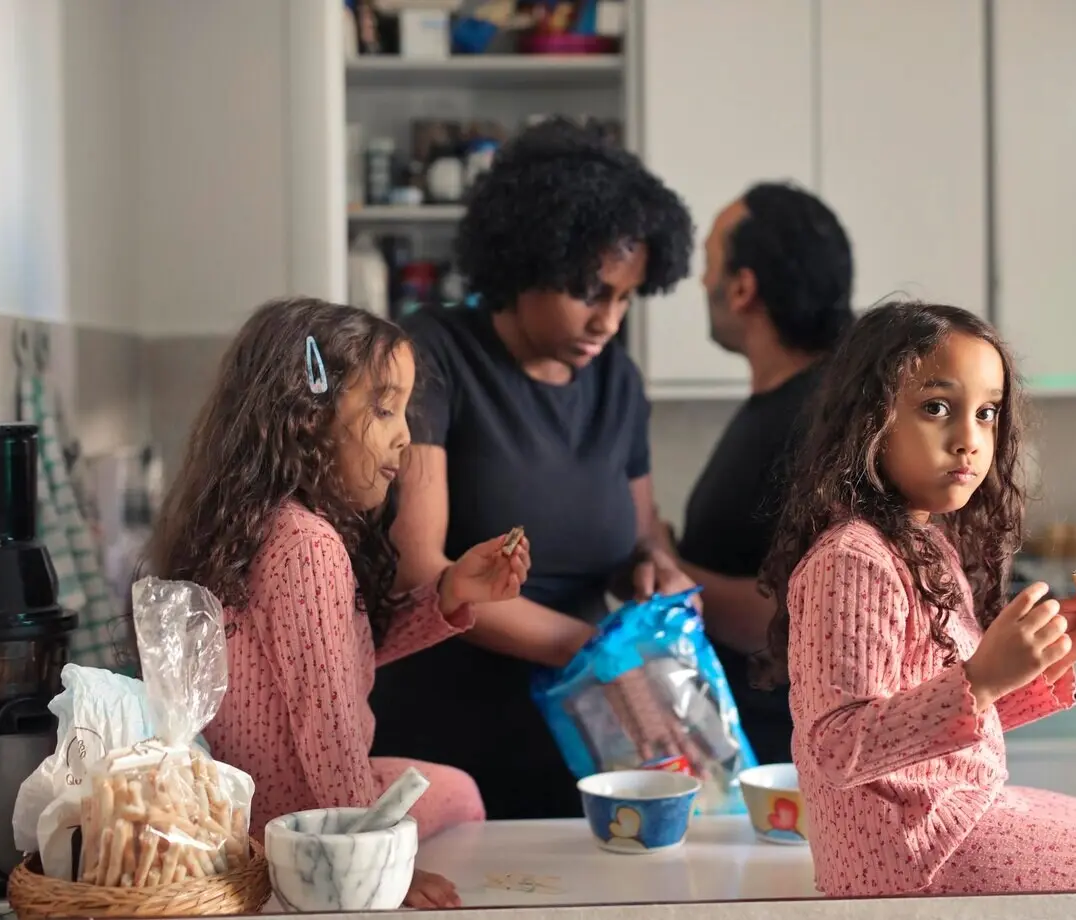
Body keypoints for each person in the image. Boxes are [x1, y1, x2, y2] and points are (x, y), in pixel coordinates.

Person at [756, 302, 1076, 917]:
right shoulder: (852, 560)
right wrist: (982, 677)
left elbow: (948, 724)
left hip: (947, 819)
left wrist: (1049, 657)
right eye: (936, 407)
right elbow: (838, 747)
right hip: (911, 854)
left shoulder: (923, 544)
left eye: (986, 413)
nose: (969, 439)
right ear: (868, 419)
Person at [149, 298, 530, 909]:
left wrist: (451, 592)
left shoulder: (254, 527)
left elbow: (333, 662)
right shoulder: (309, 546)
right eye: (383, 409)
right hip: (301, 823)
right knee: (460, 794)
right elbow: (330, 732)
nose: (405, 436)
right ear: (307, 416)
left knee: (450, 789)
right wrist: (376, 866)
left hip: (248, 811)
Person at [371, 118, 698, 820]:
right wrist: (595, 651)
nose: (608, 320)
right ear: (527, 261)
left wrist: (655, 575)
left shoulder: (618, 382)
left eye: (625, 297)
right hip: (449, 739)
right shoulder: (434, 353)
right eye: (591, 291)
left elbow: (641, 538)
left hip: (586, 742)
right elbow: (420, 569)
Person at [654, 183, 853, 765]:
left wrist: (668, 565)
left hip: (785, 765)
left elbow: (794, 618)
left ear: (742, 288)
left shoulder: (821, 418)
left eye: (709, 263)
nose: (701, 282)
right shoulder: (794, 401)